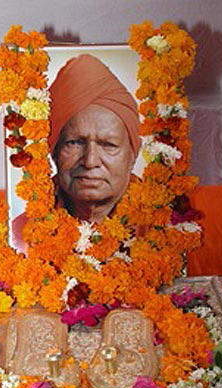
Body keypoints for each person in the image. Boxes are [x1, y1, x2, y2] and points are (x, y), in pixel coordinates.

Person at [12, 54, 141, 253]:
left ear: (132, 155)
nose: (90, 162)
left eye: (108, 144)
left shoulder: (161, 226)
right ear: (53, 151)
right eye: (74, 143)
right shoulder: (24, 231)